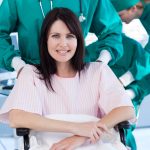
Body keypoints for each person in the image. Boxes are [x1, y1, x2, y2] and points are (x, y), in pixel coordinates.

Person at [0, 8, 135, 150]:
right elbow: (17, 118)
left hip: (94, 143)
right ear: (45, 40)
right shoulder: (31, 74)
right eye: (55, 36)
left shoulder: (98, 71)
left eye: (70, 36)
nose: (63, 43)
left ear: (79, 40)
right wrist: (75, 128)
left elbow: (126, 109)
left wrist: (80, 137)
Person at [0, 0, 123, 74]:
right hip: (33, 73)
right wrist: (17, 63)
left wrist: (102, 61)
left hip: (78, 75)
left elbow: (112, 30)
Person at [111, 0, 150, 87]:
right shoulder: (144, 14)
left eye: (120, 15)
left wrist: (123, 81)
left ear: (133, 8)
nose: (119, 19)